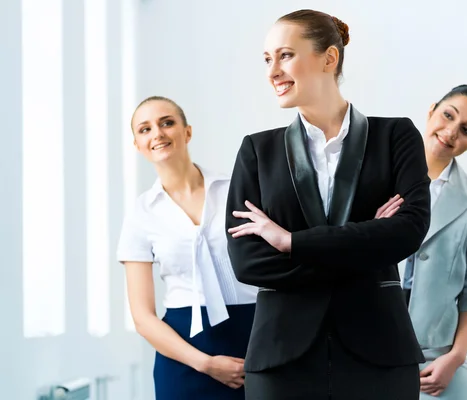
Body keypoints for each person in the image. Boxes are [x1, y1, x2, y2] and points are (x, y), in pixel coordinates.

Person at [225, 9, 430, 400]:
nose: (272, 71)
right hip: (282, 360)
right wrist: (365, 244)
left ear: (328, 58)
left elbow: (407, 232)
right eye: (267, 59)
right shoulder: (257, 150)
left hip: (379, 355)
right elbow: (247, 261)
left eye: (285, 55)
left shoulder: (396, 137)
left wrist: (291, 242)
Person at [116, 96, 257, 399]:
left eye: (167, 123)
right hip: (184, 353)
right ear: (138, 145)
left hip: (254, 339)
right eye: (145, 129)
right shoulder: (141, 214)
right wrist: (205, 364)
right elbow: (143, 317)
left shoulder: (237, 190)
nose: (158, 133)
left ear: (187, 132)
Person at [402, 85, 467, 399]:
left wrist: (455, 357)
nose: (452, 131)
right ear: (431, 111)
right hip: (368, 349)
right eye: (448, 115)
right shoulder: (377, 177)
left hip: (437, 359)